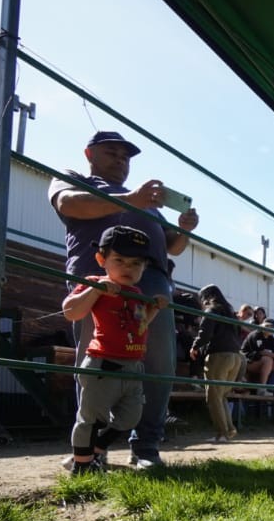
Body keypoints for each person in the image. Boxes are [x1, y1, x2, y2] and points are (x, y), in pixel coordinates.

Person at [49, 130, 199, 470]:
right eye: (112, 153)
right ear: (89, 154)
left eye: (126, 156)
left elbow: (172, 245)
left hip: (152, 283)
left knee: (159, 363)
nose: (121, 160)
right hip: (99, 282)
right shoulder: (72, 179)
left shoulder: (147, 205)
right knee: (94, 364)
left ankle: (145, 447)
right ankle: (89, 450)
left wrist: (185, 229)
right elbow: (68, 203)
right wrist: (132, 199)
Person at [60, 226, 162, 475]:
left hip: (133, 367)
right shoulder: (95, 283)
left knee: (130, 418)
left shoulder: (137, 293)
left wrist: (155, 308)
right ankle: (82, 470)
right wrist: (97, 289)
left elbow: (140, 327)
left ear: (144, 267)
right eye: (120, 260)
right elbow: (70, 311)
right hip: (102, 365)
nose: (128, 268)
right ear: (101, 259)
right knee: (91, 419)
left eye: (136, 263)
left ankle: (89, 453)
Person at [189, 284, 243, 443]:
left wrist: (194, 346)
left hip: (219, 356)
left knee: (213, 397)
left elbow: (205, 333)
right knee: (222, 396)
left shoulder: (211, 310)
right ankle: (230, 430)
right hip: (235, 357)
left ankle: (222, 434)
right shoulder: (230, 313)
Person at [242, 319, 274, 386]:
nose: (270, 328)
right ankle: (262, 387)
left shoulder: (271, 338)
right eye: (267, 326)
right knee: (268, 360)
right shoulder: (256, 334)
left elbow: (273, 353)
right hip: (248, 361)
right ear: (262, 326)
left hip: (261, 363)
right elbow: (261, 352)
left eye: (272, 327)